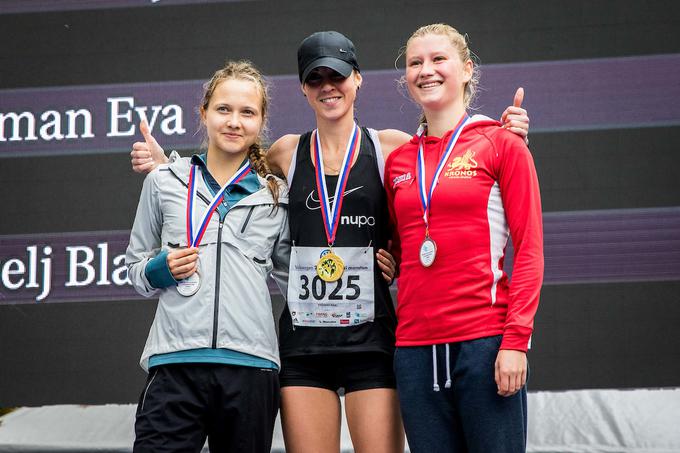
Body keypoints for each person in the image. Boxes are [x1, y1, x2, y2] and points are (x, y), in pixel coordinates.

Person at [130, 31, 530, 453]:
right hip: (304, 344)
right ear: (304, 88)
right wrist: (169, 167)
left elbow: (444, 158)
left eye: (337, 76)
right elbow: (229, 170)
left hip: (370, 340)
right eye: (315, 78)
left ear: (357, 79)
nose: (328, 87)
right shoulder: (285, 153)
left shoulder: (391, 147)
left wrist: (503, 132)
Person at [384, 24, 544, 453]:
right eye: (416, 63)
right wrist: (390, 260)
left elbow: (529, 250)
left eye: (439, 60)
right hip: (414, 350)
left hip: (484, 344)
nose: (426, 70)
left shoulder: (503, 143)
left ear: (467, 69)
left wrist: (515, 343)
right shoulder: (399, 160)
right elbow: (404, 248)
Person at [125, 60, 289, 453]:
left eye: (247, 112)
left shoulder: (276, 195)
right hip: (175, 364)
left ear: (262, 120)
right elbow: (135, 267)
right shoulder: (164, 181)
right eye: (224, 109)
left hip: (252, 366)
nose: (234, 121)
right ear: (204, 113)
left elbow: (296, 279)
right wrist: (159, 269)